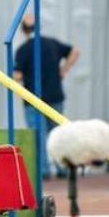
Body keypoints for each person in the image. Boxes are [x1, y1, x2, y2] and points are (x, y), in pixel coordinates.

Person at [13, 13, 80, 178]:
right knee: (58, 135)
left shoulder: (23, 50)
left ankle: (43, 171)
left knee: (38, 137)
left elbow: (17, 75)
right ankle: (63, 168)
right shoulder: (52, 44)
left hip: (34, 99)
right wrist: (63, 71)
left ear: (23, 30)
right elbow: (74, 51)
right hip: (55, 95)